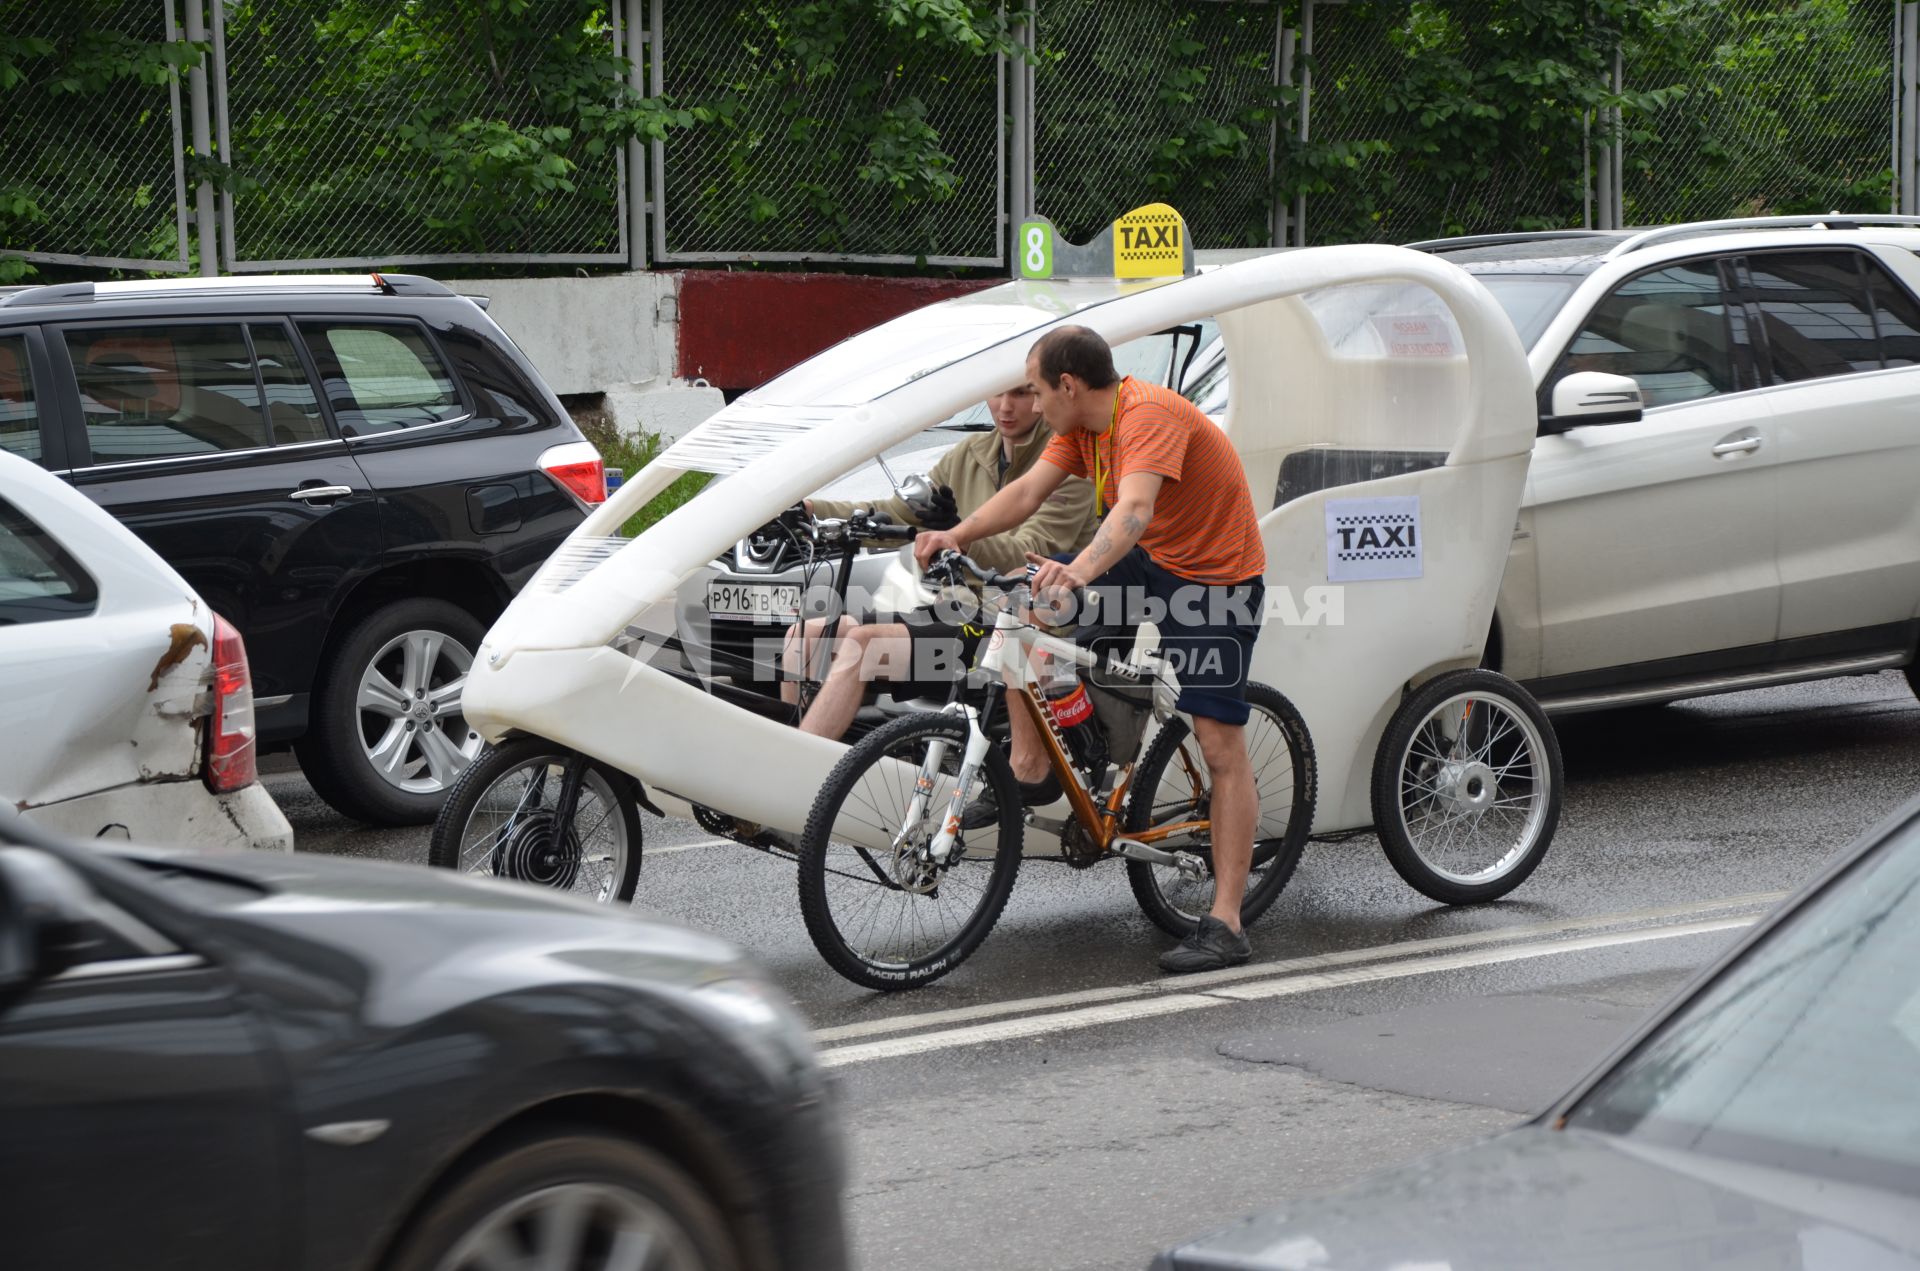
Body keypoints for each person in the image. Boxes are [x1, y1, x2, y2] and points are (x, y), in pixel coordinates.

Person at [915, 325, 1268, 974]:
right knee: (1022, 608)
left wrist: (1077, 570)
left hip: (1216, 579)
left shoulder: (1147, 417)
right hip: (1153, 562)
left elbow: (1132, 509)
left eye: (1037, 390)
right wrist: (955, 535)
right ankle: (1030, 766)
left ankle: (1227, 921)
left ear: (1069, 386)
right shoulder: (1083, 428)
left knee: (1219, 743)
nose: (1031, 402)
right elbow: (1026, 495)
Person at [781, 386, 1097, 741]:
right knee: (804, 636)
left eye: (1022, 394)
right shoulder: (970, 453)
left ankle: (802, 780)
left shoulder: (1068, 465)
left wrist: (958, 533)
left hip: (1015, 628)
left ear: (1040, 396)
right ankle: (803, 755)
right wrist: (807, 510)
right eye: (997, 393)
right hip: (958, 613)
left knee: (864, 644)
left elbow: (1029, 550)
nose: (1006, 407)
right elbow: (898, 512)